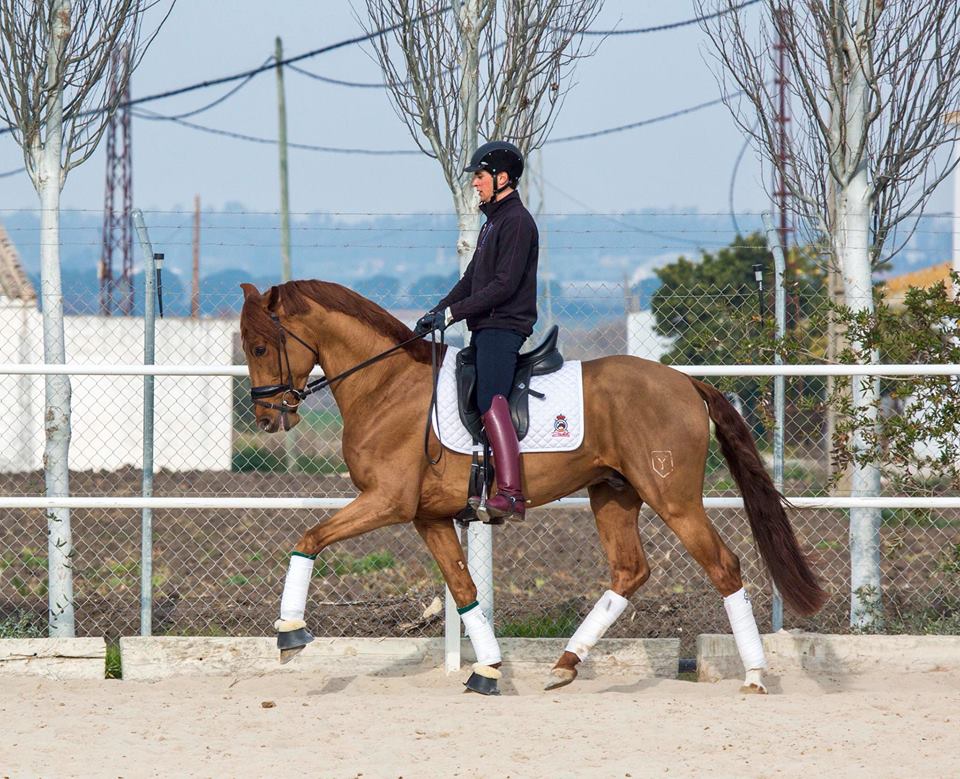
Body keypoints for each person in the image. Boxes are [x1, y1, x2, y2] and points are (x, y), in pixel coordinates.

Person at [415, 140, 539, 521]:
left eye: (481, 177)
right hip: (486, 326)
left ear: (503, 178)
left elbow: (502, 286)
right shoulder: (494, 223)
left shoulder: (516, 223)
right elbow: (472, 280)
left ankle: (512, 494)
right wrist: (435, 313)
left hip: (504, 327)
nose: (475, 184)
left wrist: (452, 314)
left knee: (489, 397)